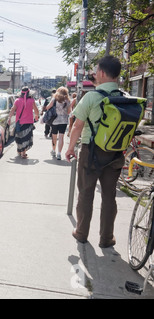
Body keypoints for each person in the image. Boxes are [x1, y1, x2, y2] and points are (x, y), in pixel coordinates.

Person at [65, 55, 125, 248]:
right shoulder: (124, 99)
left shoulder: (91, 96)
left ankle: (82, 232)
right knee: (109, 196)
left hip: (91, 152)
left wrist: (70, 148)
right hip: (115, 154)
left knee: (85, 193)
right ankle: (106, 238)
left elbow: (77, 125)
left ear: (100, 72)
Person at [7, 87, 39, 159]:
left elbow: (12, 110)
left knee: (19, 137)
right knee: (26, 137)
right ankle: (23, 153)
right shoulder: (31, 100)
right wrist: (36, 116)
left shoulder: (17, 100)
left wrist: (9, 118)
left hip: (19, 122)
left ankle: (20, 151)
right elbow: (36, 111)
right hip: (29, 122)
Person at [44, 86, 71, 160]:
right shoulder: (68, 101)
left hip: (55, 121)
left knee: (54, 136)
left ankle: (53, 150)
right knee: (61, 137)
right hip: (64, 121)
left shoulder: (54, 99)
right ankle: (59, 153)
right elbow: (69, 112)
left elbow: (47, 107)